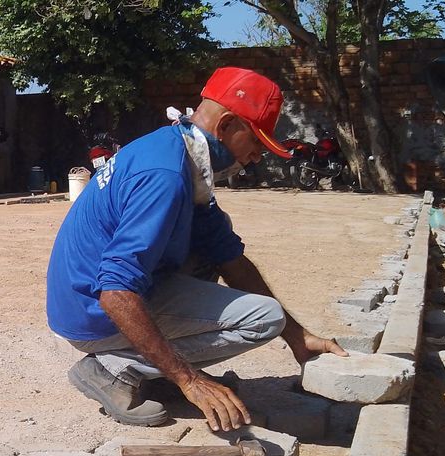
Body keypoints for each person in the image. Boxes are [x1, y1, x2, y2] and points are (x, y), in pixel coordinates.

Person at [46, 67, 347, 432]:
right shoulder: (165, 175)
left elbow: (229, 256)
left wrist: (298, 337)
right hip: (91, 311)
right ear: (226, 126)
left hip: (94, 295)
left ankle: (154, 371)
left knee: (211, 244)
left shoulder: (181, 152)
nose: (256, 157)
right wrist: (190, 381)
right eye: (255, 142)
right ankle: (113, 370)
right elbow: (116, 292)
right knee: (263, 318)